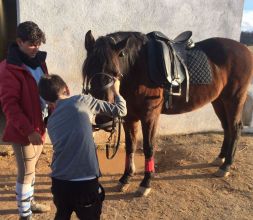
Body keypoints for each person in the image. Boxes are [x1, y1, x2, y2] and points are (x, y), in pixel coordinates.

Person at [38, 74, 127, 220]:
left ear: (46, 100)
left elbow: (69, 138)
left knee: (61, 214)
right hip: (85, 183)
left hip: (60, 183)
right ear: (66, 89)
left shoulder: (50, 121)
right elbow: (121, 110)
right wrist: (116, 90)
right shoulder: (83, 100)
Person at [0, 21, 51, 220]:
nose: (36, 48)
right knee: (26, 171)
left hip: (40, 125)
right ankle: (24, 214)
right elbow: (10, 106)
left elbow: (46, 86)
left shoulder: (38, 60)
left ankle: (30, 203)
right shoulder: (8, 69)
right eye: (32, 44)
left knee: (33, 168)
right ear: (19, 42)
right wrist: (29, 130)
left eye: (39, 44)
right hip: (24, 131)